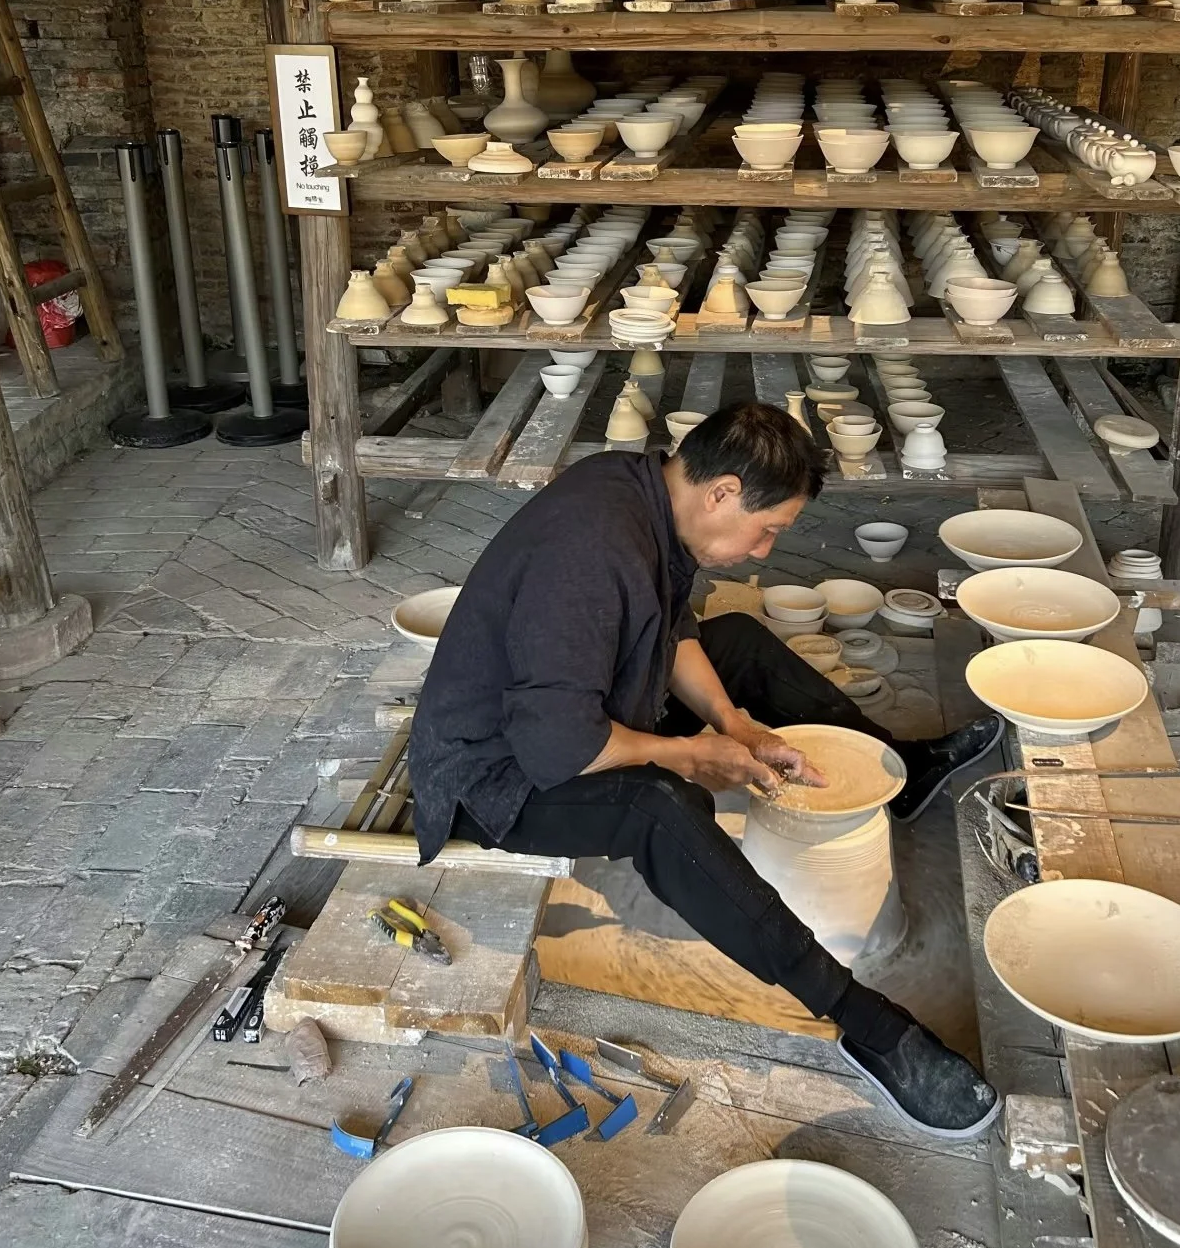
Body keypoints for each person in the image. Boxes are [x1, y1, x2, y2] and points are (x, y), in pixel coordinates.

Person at [411, 402, 1003, 1138]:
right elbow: (558, 746)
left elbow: (676, 629)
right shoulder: (588, 553)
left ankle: (903, 775)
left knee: (736, 643)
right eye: (769, 531)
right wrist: (688, 755)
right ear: (722, 492)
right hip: (495, 775)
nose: (762, 553)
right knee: (659, 806)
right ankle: (870, 1026)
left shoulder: (643, 491)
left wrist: (733, 724)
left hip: (570, 717)